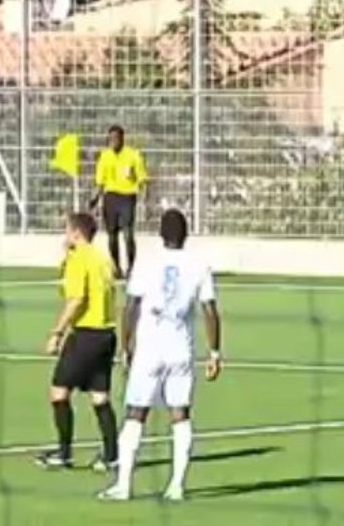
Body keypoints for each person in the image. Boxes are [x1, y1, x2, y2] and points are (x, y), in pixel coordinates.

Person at [98, 208, 222, 502]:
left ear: (161, 234)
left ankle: (123, 485)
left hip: (150, 347)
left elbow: (131, 306)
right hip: (181, 346)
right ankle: (177, 486)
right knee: (180, 415)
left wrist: (126, 347)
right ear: (186, 234)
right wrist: (214, 352)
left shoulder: (147, 261)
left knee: (135, 413)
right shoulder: (199, 264)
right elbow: (210, 310)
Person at [35, 212, 120, 472]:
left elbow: (76, 299)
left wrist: (56, 333)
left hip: (85, 334)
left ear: (76, 233)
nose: (65, 235)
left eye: (67, 230)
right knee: (100, 396)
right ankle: (111, 454)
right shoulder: (103, 258)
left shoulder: (79, 259)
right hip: (107, 333)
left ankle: (64, 452)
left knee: (59, 392)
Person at [88, 125, 147, 279]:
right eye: (110, 139)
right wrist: (95, 198)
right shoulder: (105, 156)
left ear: (122, 138)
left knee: (128, 234)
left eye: (116, 138)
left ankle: (131, 267)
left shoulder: (133, 155)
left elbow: (142, 179)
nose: (113, 141)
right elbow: (100, 182)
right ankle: (116, 267)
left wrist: (145, 198)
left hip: (127, 196)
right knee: (112, 236)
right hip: (110, 197)